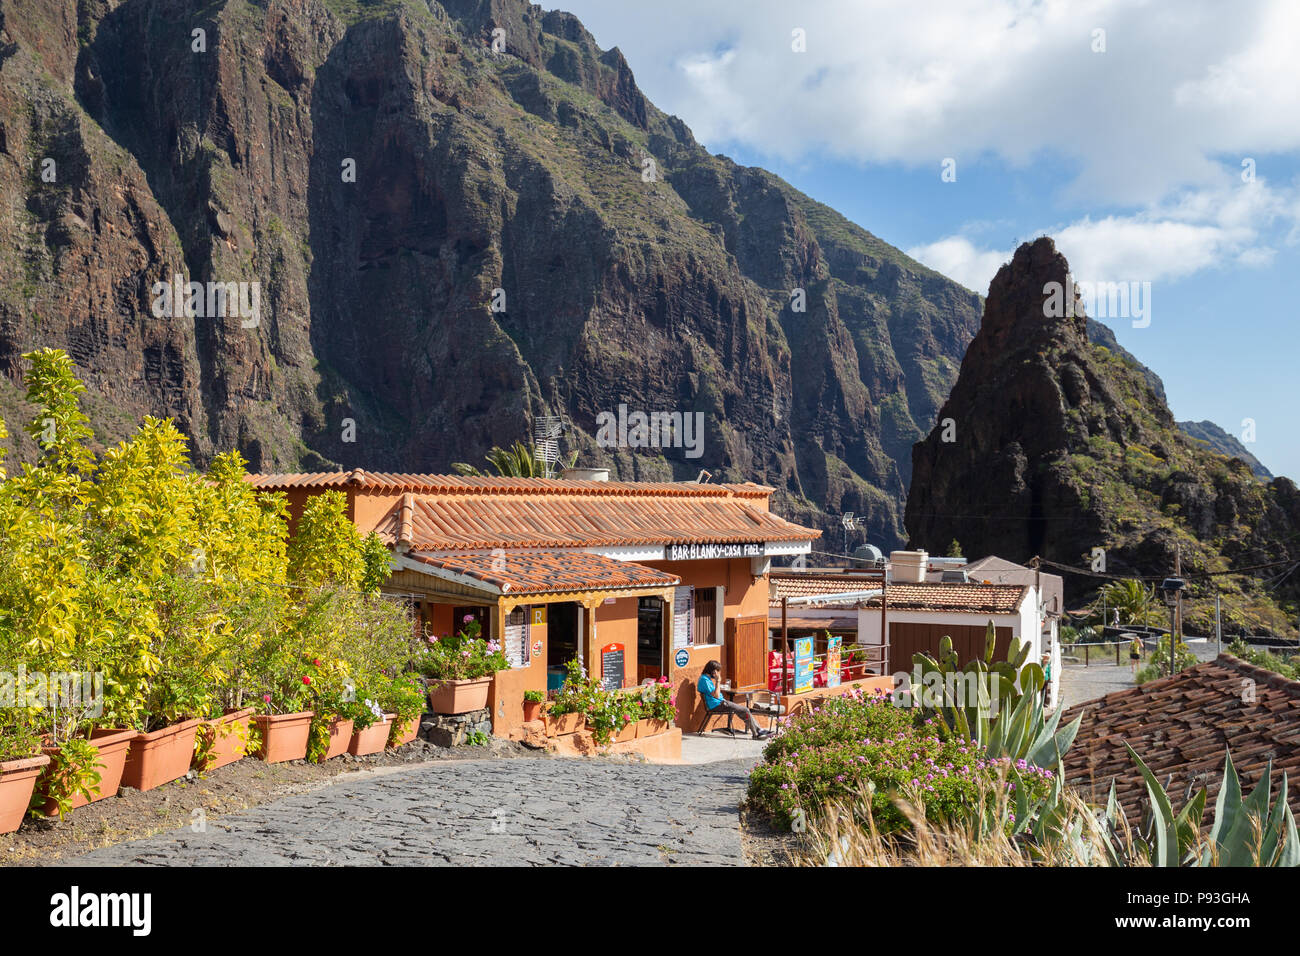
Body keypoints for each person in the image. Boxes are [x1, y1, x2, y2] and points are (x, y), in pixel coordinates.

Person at [698, 660, 770, 740]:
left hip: (720, 703)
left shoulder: (706, 679)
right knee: (745, 710)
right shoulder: (705, 680)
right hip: (717, 704)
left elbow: (713, 693)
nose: (718, 673)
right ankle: (757, 732)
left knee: (742, 711)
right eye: (717, 671)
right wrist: (718, 681)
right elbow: (717, 695)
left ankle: (758, 730)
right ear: (713, 671)